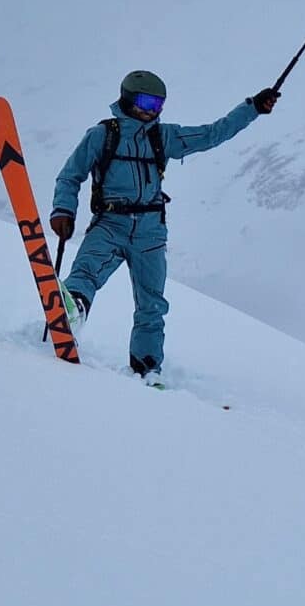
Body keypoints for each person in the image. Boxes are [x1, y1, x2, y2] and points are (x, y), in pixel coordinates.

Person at [50, 70, 280, 386]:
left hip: (150, 232)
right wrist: (64, 209)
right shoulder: (102, 135)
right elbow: (70, 175)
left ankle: (147, 367)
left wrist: (252, 108)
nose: (151, 110)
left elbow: (214, 134)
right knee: (87, 271)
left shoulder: (164, 137)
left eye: (158, 104)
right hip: (110, 223)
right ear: (128, 98)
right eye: (146, 102)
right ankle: (73, 306)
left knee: (152, 304)